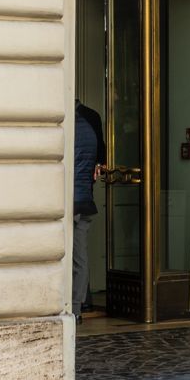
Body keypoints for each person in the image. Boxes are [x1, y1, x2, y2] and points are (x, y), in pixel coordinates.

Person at [73, 100, 106, 320]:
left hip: (67, 200)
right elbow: (99, 161)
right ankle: (78, 308)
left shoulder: (70, 120)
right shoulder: (92, 118)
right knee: (80, 258)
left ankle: (72, 308)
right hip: (84, 198)